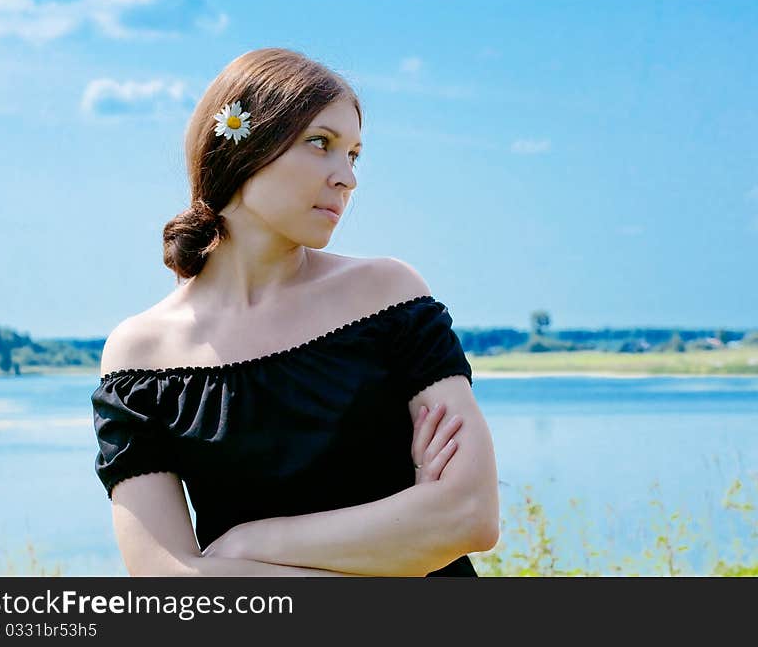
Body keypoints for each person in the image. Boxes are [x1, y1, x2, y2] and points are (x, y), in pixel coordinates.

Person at [90, 47, 500, 577]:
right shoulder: (140, 358)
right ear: (242, 147)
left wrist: (249, 544)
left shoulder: (389, 296)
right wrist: (400, 544)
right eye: (321, 144)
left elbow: (470, 515)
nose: (347, 177)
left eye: (353, 154)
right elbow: (166, 581)